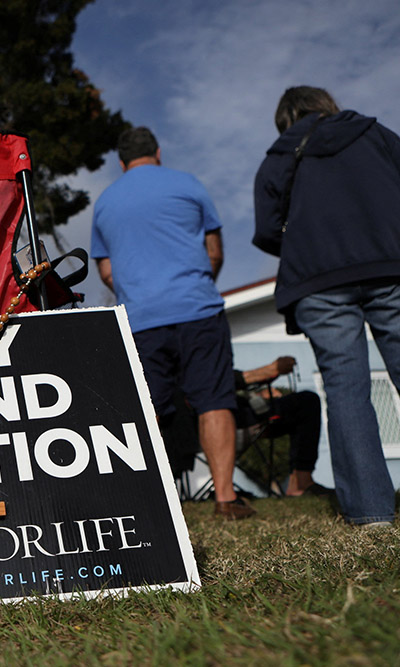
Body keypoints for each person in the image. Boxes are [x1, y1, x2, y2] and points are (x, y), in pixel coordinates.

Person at [254, 86, 400, 527]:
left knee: (346, 389)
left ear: (287, 118)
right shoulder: (374, 135)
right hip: (389, 261)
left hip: (318, 281)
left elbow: (266, 231)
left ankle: (372, 516)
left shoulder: (278, 157)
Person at [92, 126, 254, 520]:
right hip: (197, 309)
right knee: (213, 399)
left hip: (142, 318)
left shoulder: (106, 201)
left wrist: (139, 290)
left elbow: (108, 270)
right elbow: (213, 251)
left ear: (121, 161)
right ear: (158, 152)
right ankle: (226, 499)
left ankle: (148, 504)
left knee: (149, 409)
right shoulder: (188, 184)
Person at [235, 356, 332, 497]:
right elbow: (215, 383)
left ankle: (301, 482)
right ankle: (300, 483)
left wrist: (258, 393)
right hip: (221, 419)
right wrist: (268, 371)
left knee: (306, 402)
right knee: (307, 403)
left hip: (237, 410)